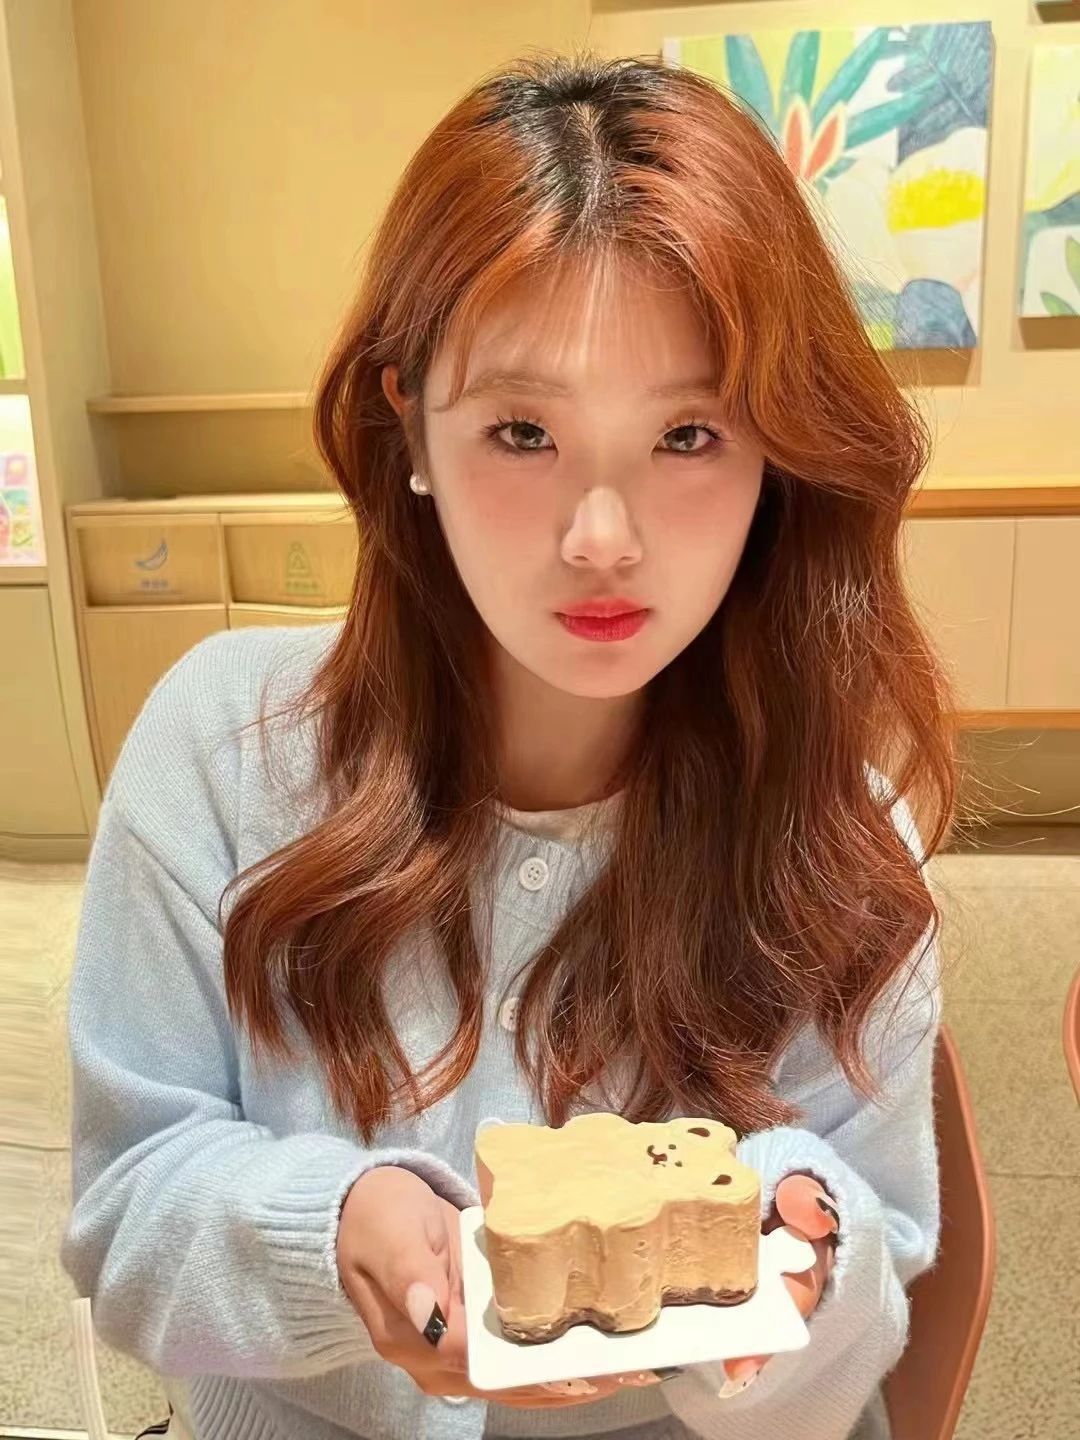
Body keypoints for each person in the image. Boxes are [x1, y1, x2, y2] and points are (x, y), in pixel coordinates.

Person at [61, 48, 957, 1440]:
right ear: (410, 422)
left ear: (777, 452)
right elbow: (123, 1217)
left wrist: (797, 1260)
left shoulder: (833, 834)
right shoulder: (223, 751)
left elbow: (858, 1343)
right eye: (524, 429)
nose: (601, 536)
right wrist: (332, 1233)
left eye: (689, 433)